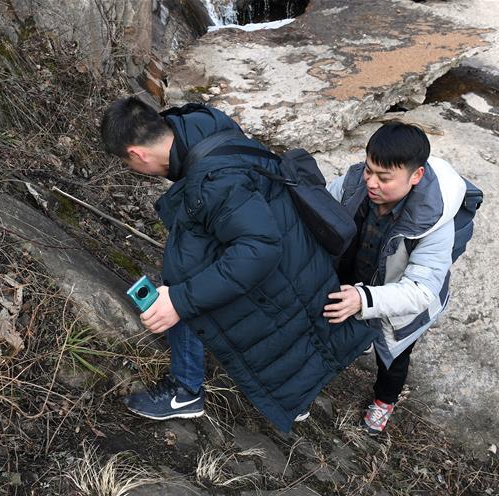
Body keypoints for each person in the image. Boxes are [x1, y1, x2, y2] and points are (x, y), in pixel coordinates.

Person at [100, 96, 375, 432]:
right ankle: (297, 397)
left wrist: (180, 301)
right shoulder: (204, 122)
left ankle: (186, 391)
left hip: (277, 262)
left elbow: (258, 250)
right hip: (297, 249)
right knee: (298, 328)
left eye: (130, 165)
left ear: (137, 155)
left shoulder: (213, 181)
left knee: (185, 287)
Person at [324, 121, 466, 435]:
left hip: (399, 302)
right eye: (369, 170)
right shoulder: (353, 183)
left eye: (384, 178)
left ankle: (384, 402)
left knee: (393, 358)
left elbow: (421, 290)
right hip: (356, 277)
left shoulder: (435, 222)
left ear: (415, 176)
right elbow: (321, 208)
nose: (371, 183)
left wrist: (364, 300)